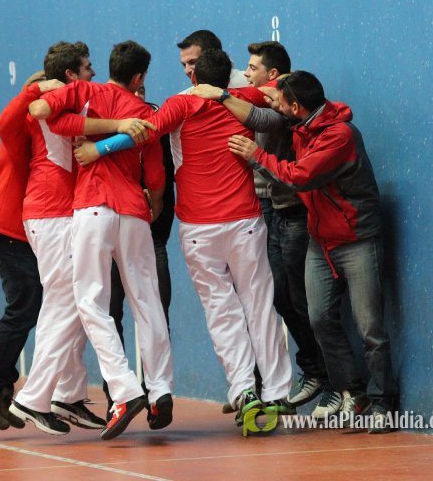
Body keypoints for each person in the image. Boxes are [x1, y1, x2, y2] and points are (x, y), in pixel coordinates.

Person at [75, 49, 293, 429]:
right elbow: (282, 91)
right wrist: (260, 89)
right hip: (244, 222)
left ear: (195, 79)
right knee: (260, 306)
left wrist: (98, 149)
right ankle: (276, 394)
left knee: (222, 313)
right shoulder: (244, 98)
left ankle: (244, 391)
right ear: (230, 78)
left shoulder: (179, 104)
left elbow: (140, 133)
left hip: (199, 230)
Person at [226, 70, 398, 433]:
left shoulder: (339, 136)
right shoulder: (303, 126)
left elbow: (299, 176)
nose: (275, 105)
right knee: (319, 319)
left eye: (280, 101)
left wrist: (256, 154)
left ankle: (383, 402)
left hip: (356, 242)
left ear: (296, 106)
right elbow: (270, 106)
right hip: (321, 243)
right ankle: (354, 391)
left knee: (371, 329)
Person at [28, 40, 173, 441]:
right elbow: (157, 176)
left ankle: (125, 389)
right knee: (148, 301)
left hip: (92, 209)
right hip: (135, 213)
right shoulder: (146, 112)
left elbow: (45, 114)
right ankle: (160, 390)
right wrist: (155, 201)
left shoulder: (85, 92)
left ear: (108, 67)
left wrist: (46, 92)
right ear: (140, 77)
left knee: (91, 302)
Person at [190, 41, 329, 409]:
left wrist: (220, 94)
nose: (246, 74)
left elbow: (261, 120)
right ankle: (261, 385)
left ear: (273, 75)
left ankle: (325, 378)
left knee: (301, 300)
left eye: (253, 68)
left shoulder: (284, 103)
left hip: (293, 210)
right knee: (280, 297)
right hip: (267, 208)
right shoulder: (252, 94)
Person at [7, 41, 107, 435]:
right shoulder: (54, 103)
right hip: (52, 214)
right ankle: (32, 398)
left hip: (60, 213)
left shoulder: (63, 99)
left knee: (77, 302)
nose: (92, 74)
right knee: (67, 301)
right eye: (87, 68)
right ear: (70, 75)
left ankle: (67, 393)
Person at [0, 60, 70, 431]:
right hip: (5, 232)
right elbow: (4, 120)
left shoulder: (49, 131)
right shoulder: (20, 127)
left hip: (21, 235)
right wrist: (33, 91)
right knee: (25, 304)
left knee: (32, 304)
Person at [105, 84, 175, 421]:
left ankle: (148, 394)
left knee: (138, 313)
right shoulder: (109, 119)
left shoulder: (152, 120)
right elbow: (159, 176)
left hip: (138, 232)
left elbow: (161, 176)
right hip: (127, 228)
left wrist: (157, 203)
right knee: (138, 311)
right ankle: (137, 394)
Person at [177, 29, 248, 90]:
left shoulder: (251, 85)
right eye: (184, 65)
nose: (186, 71)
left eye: (192, 62)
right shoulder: (184, 102)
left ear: (213, 56)